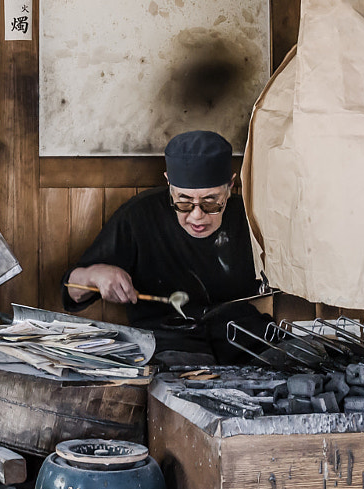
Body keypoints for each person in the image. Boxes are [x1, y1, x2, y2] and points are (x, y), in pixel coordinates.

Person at [61, 130, 270, 363]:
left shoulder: (249, 217)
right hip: (167, 340)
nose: (197, 216)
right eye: (183, 202)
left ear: (230, 186)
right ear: (169, 182)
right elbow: (71, 291)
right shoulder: (139, 216)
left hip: (238, 332)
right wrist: (94, 275)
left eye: (211, 202)